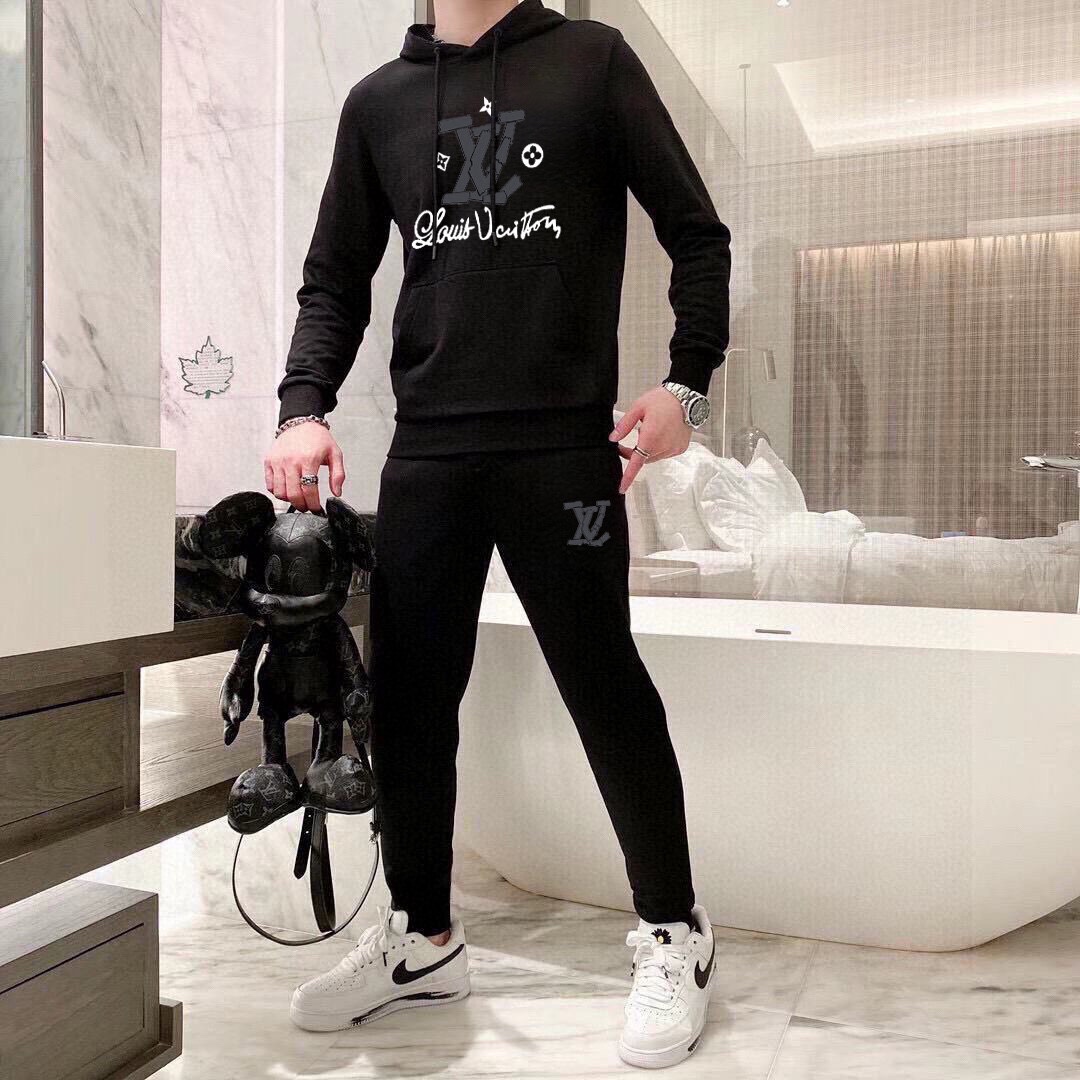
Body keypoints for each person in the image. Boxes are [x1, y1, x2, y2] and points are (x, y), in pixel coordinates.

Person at [265, 0, 731, 1067]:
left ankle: (675, 931)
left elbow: (697, 233)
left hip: (564, 448)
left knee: (603, 685)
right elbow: (334, 277)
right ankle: (423, 941)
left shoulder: (593, 61)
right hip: (429, 452)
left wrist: (686, 386)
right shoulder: (378, 103)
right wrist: (302, 407)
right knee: (408, 701)